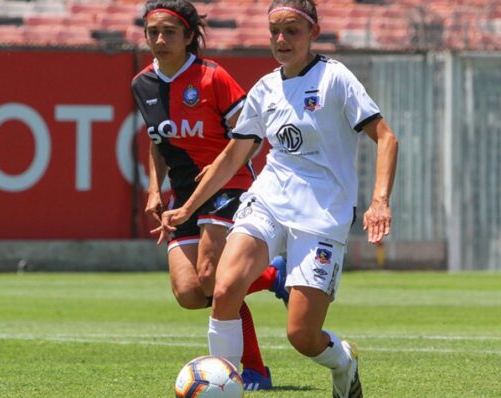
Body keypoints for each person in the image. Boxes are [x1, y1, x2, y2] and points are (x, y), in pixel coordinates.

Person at [157, 0, 399, 397]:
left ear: (313, 34)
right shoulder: (266, 88)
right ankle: (225, 385)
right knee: (224, 287)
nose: (281, 40)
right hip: (268, 199)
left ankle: (344, 360)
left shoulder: (335, 79)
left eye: (292, 31)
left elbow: (387, 137)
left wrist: (380, 201)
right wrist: (188, 205)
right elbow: (235, 153)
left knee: (302, 335)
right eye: (274, 32)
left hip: (322, 213)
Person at [131, 0, 290, 391]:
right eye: (153, 32)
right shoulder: (142, 84)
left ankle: (253, 369)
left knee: (211, 275)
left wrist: (220, 168)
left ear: (189, 36)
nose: (160, 40)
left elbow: (248, 138)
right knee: (190, 293)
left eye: (170, 32)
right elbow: (159, 142)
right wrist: (155, 189)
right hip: (183, 193)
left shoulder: (213, 77)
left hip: (229, 185)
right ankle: (272, 276)